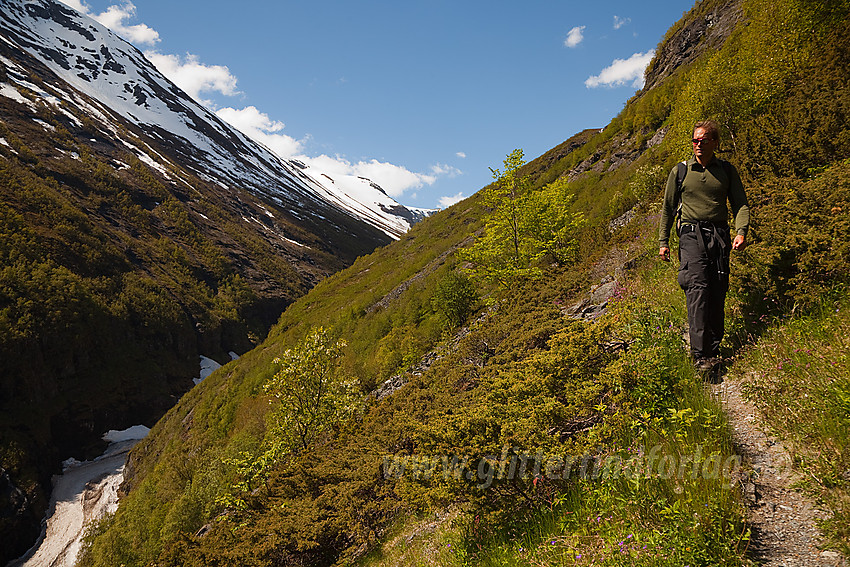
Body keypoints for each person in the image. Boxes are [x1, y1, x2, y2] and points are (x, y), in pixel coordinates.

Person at [659, 120, 749, 370]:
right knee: (697, 289)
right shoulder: (680, 171)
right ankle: (701, 357)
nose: (698, 145)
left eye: (703, 140)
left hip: (719, 236)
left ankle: (713, 348)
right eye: (695, 140)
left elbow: (741, 204)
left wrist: (741, 231)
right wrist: (663, 241)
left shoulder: (726, 171)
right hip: (690, 235)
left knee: (718, 288)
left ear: (715, 143)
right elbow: (667, 208)